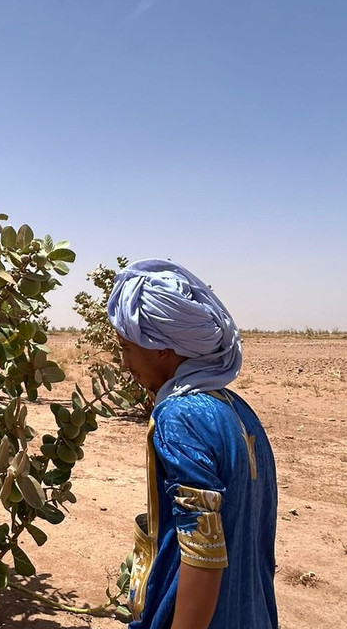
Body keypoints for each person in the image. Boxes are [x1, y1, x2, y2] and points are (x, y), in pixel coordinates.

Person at [107, 259, 277, 629]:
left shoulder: (180, 416)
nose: (124, 363)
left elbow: (203, 552)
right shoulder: (236, 408)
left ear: (161, 350)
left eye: (127, 348)